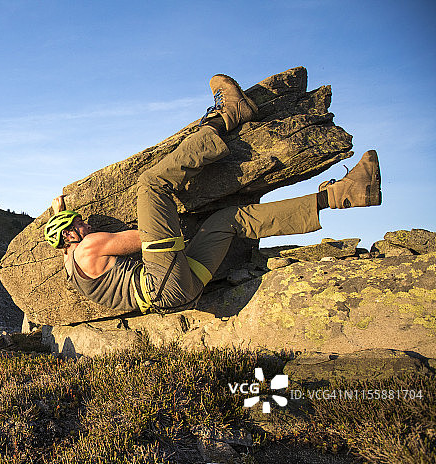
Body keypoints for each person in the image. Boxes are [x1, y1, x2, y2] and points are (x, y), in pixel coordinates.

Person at [44, 74, 382, 315]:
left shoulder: (72, 265)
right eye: (79, 224)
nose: (87, 226)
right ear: (70, 235)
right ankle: (231, 115)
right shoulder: (89, 246)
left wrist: (57, 213)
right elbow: (145, 237)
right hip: (166, 282)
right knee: (150, 185)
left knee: (228, 220)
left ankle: (342, 195)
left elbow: (64, 243)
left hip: (183, 290)